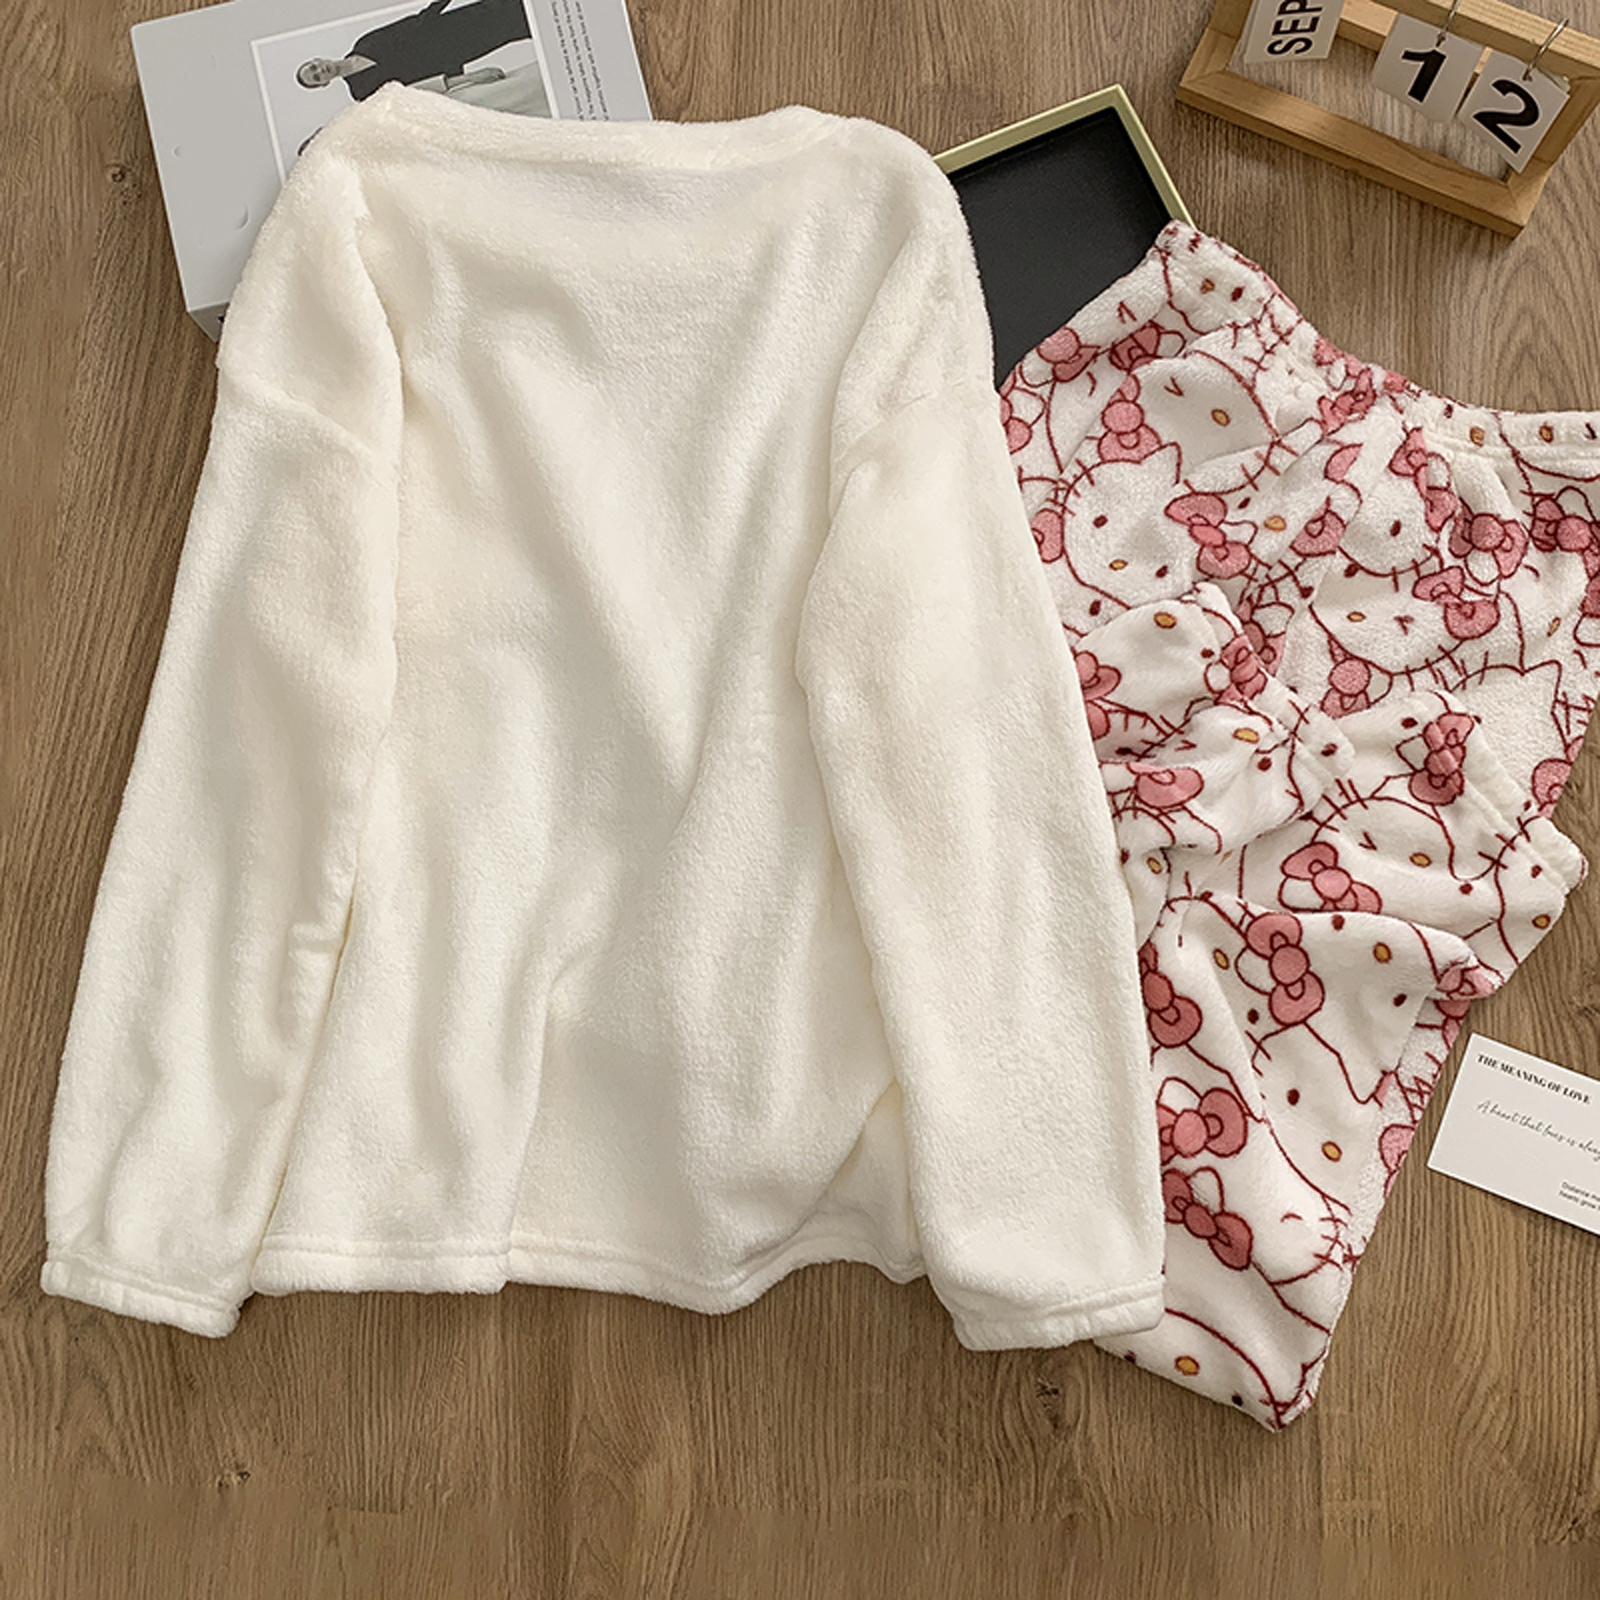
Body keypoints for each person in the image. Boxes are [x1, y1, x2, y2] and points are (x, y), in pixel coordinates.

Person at [296, 0, 532, 101]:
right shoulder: (362, 91)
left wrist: (441, 3)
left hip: (445, 25)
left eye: (314, 66)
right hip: (452, 54)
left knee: (504, 6)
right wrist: (470, 78)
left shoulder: (363, 43)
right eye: (316, 77)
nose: (320, 70)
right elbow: (420, 89)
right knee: (512, 28)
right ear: (323, 84)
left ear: (318, 59)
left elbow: (410, 25)